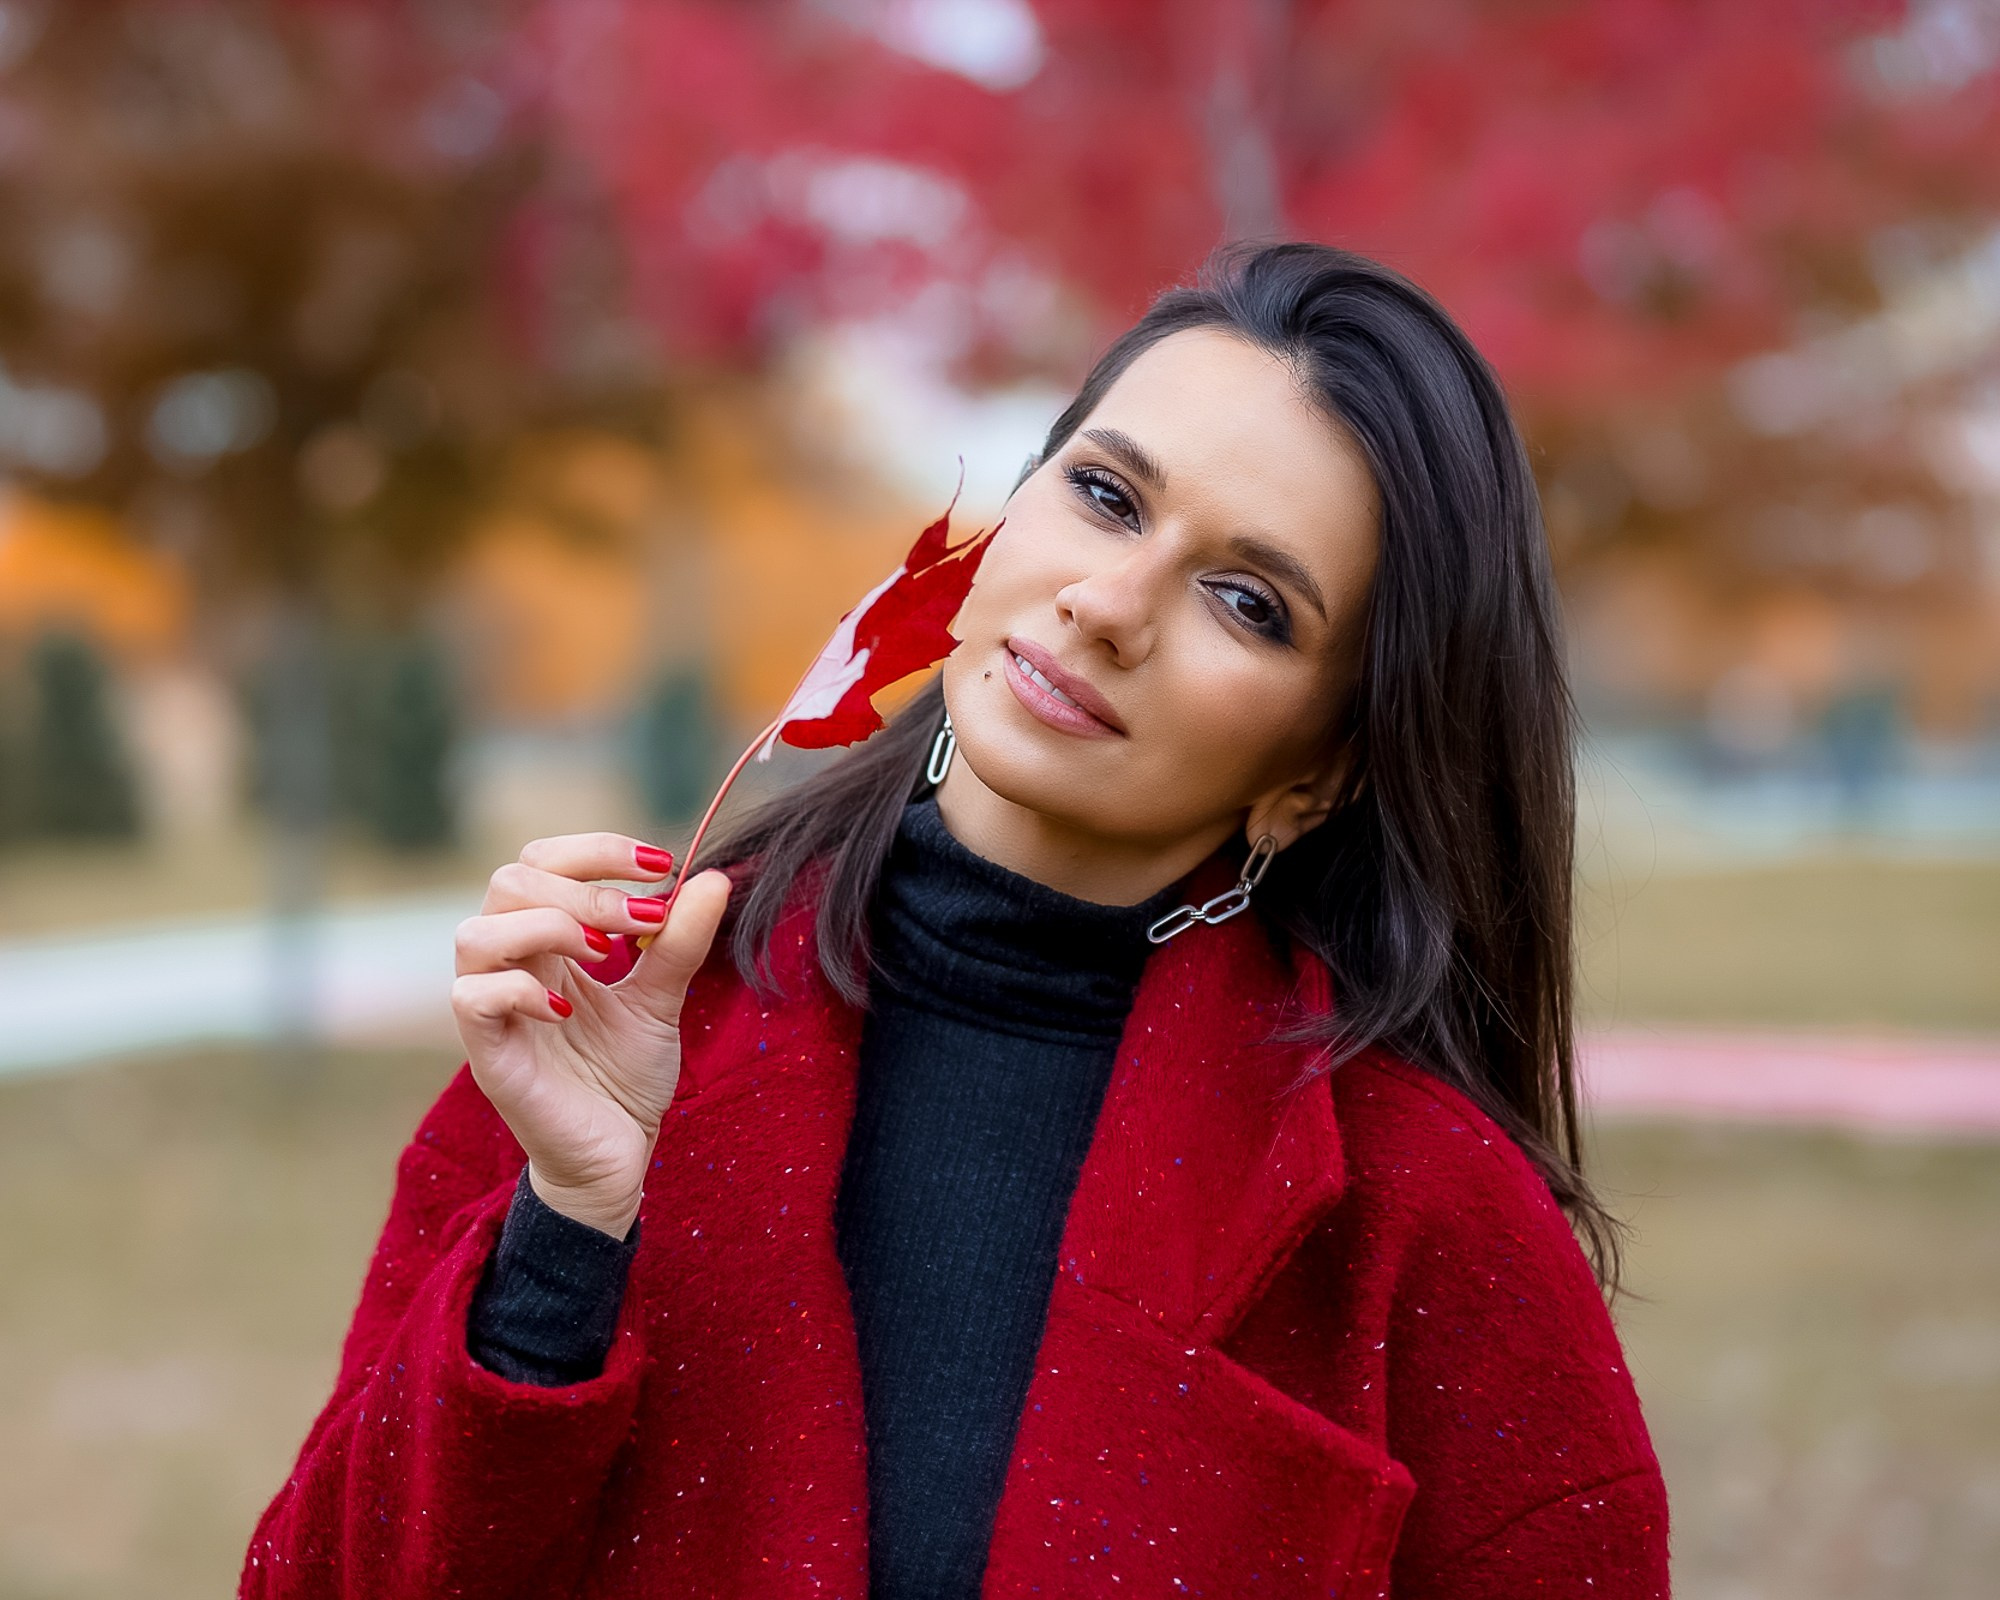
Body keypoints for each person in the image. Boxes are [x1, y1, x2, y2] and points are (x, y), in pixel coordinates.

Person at [241, 242, 1669, 1599]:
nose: (1110, 603)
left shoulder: (1428, 1221)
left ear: (1323, 765)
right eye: (1106, 496)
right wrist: (567, 1235)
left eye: (1246, 600)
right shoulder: (623, 1031)